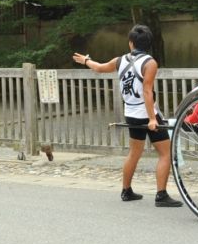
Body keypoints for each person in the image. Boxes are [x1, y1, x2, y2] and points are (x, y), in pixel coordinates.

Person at [72, 25, 182, 207]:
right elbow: (147, 91)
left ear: (131, 43)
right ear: (148, 44)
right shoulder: (150, 63)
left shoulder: (119, 60)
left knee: (134, 152)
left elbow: (99, 68)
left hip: (130, 113)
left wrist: (86, 61)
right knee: (165, 153)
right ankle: (161, 195)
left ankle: (126, 191)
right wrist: (153, 119)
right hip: (146, 114)